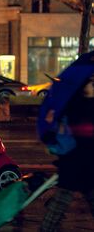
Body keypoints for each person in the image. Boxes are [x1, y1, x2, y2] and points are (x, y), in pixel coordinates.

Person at [40, 74, 94, 231]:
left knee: (63, 201)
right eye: (91, 82)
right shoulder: (77, 106)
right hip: (75, 162)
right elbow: (82, 134)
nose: (93, 85)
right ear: (82, 86)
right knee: (60, 203)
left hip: (83, 162)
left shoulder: (85, 104)